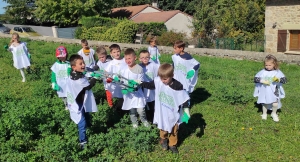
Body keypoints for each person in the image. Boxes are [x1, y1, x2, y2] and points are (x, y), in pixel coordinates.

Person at [139, 63, 190, 154]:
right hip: (162, 112)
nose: (163, 81)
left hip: (173, 113)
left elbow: (184, 98)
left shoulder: (178, 86)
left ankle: (172, 144)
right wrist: (141, 83)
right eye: (161, 78)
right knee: (163, 128)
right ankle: (163, 139)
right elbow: (150, 85)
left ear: (172, 76)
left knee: (174, 130)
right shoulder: (159, 81)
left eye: (165, 79)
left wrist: (186, 110)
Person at [66, 54, 99, 149]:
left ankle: (90, 127)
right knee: (82, 123)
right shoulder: (78, 79)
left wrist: (93, 68)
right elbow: (88, 86)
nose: (83, 65)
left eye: (83, 62)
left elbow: (86, 71)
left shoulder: (75, 73)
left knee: (87, 115)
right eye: (80, 64)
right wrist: (95, 78)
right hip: (77, 105)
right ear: (74, 67)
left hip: (81, 100)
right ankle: (82, 142)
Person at [120, 48, 149, 128]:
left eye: (129, 58)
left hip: (138, 93)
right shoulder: (124, 69)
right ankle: (134, 123)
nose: (127, 60)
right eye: (126, 59)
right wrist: (123, 88)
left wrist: (135, 86)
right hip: (129, 94)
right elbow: (122, 80)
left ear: (135, 58)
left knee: (141, 110)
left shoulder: (139, 69)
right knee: (132, 109)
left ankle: (144, 120)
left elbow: (141, 80)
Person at [172, 40, 200, 123]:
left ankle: (186, 113)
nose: (174, 50)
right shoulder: (174, 56)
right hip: (176, 79)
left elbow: (197, 64)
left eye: (175, 48)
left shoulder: (188, 57)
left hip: (184, 80)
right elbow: (173, 64)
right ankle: (176, 110)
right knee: (176, 95)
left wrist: (192, 70)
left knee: (185, 96)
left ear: (181, 48)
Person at [253, 54, 287, 122]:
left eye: (269, 65)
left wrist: (277, 80)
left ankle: (274, 113)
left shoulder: (277, 72)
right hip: (265, 90)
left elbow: (285, 80)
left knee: (275, 103)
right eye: (266, 65)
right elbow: (255, 79)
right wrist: (262, 80)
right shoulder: (262, 72)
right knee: (265, 102)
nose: (267, 67)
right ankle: (264, 114)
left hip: (274, 90)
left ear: (274, 64)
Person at [139, 50, 159, 123]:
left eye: (147, 57)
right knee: (144, 105)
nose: (145, 59)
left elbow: (160, 73)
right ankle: (146, 119)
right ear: (140, 58)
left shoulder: (154, 65)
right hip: (143, 90)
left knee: (153, 106)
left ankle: (154, 119)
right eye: (143, 57)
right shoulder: (139, 67)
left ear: (149, 57)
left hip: (153, 90)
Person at [105, 44, 127, 111]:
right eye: (114, 52)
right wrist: (109, 77)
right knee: (120, 97)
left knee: (125, 96)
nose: (116, 54)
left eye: (118, 51)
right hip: (117, 83)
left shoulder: (125, 60)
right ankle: (116, 110)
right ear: (111, 53)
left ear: (120, 51)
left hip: (125, 82)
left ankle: (122, 109)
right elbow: (106, 72)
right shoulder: (111, 63)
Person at [50, 46, 71, 110]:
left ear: (66, 55)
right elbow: (53, 74)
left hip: (69, 83)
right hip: (60, 84)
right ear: (58, 56)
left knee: (70, 94)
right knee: (63, 96)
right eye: (60, 56)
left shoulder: (69, 63)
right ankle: (66, 105)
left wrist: (70, 70)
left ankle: (71, 105)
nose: (62, 57)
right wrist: (53, 82)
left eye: (63, 56)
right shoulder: (55, 65)